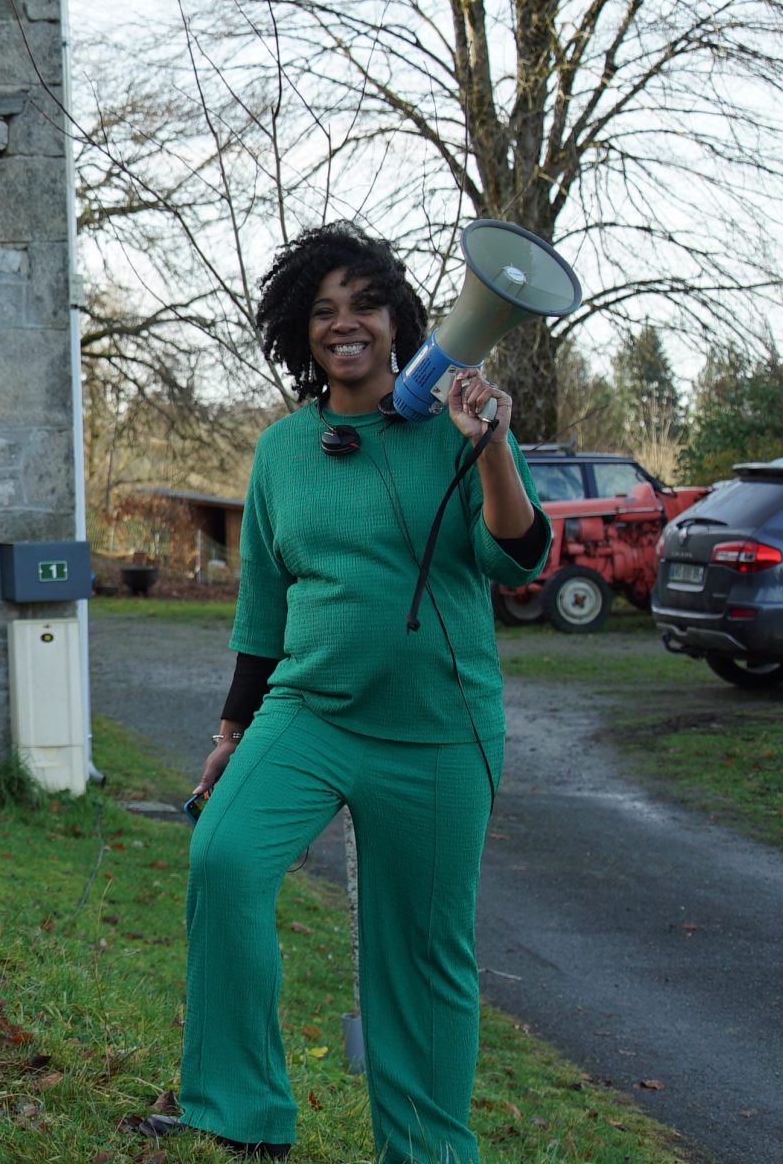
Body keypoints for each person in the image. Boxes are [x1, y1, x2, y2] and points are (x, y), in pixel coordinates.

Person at [158, 223, 547, 1164]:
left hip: (437, 730)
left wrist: (491, 448)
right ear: (302, 330)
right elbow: (263, 607)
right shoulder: (283, 451)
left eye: (366, 304)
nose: (347, 323)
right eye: (325, 310)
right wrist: (231, 731)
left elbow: (520, 557)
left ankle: (426, 1150)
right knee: (225, 857)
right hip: (311, 713)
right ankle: (238, 1112)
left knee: (422, 952)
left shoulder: (457, 426)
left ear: (398, 321)